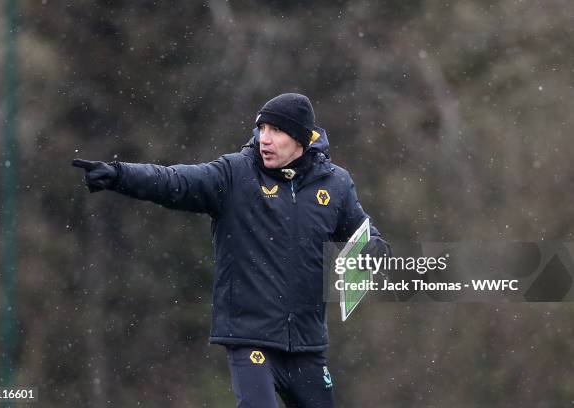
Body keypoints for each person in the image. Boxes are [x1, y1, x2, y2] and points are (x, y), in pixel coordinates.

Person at [72, 93, 389, 407]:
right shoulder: (235, 174)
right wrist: (118, 175)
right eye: (262, 129)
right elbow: (173, 181)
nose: (265, 139)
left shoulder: (336, 185)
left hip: (307, 347)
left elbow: (366, 237)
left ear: (301, 140)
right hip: (250, 340)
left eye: (276, 131)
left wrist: (374, 252)